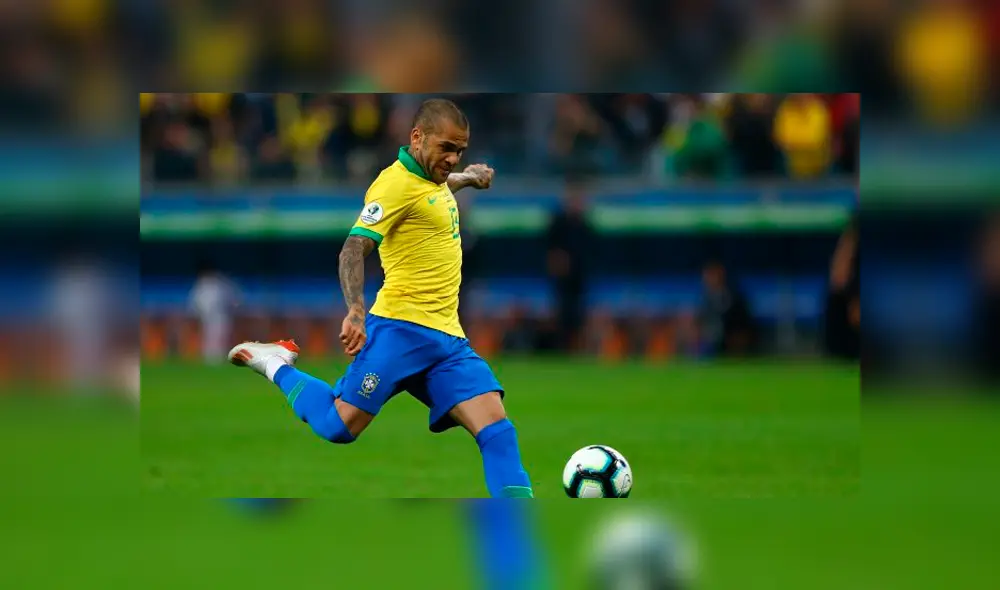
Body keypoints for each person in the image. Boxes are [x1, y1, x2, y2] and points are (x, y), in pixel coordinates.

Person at [227, 99, 533, 498]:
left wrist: (467, 177)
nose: (453, 157)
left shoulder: (431, 179)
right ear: (417, 138)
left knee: (497, 431)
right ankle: (275, 363)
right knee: (339, 427)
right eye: (446, 148)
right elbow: (353, 249)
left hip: (447, 340)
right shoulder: (392, 184)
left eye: (461, 149)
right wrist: (355, 309)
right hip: (399, 331)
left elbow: (432, 193)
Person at [545, 178, 594, 352]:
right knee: (561, 314)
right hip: (561, 280)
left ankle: (577, 349)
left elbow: (591, 252)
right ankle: (560, 349)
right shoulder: (558, 223)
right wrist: (556, 261)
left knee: (579, 315)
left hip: (580, 279)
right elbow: (549, 250)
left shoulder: (585, 225)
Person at [698, 261, 755, 357]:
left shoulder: (734, 297)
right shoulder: (706, 299)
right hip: (713, 341)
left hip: (732, 340)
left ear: (721, 275)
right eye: (706, 275)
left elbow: (743, 324)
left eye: (712, 275)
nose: (707, 279)